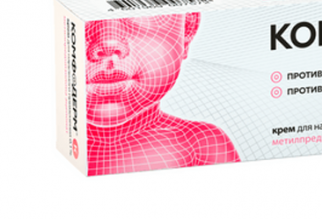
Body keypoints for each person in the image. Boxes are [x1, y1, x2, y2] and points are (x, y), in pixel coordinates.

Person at [85, 12, 239, 176]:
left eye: (136, 9)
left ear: (187, 28)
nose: (107, 44)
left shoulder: (201, 144)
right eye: (85, 16)